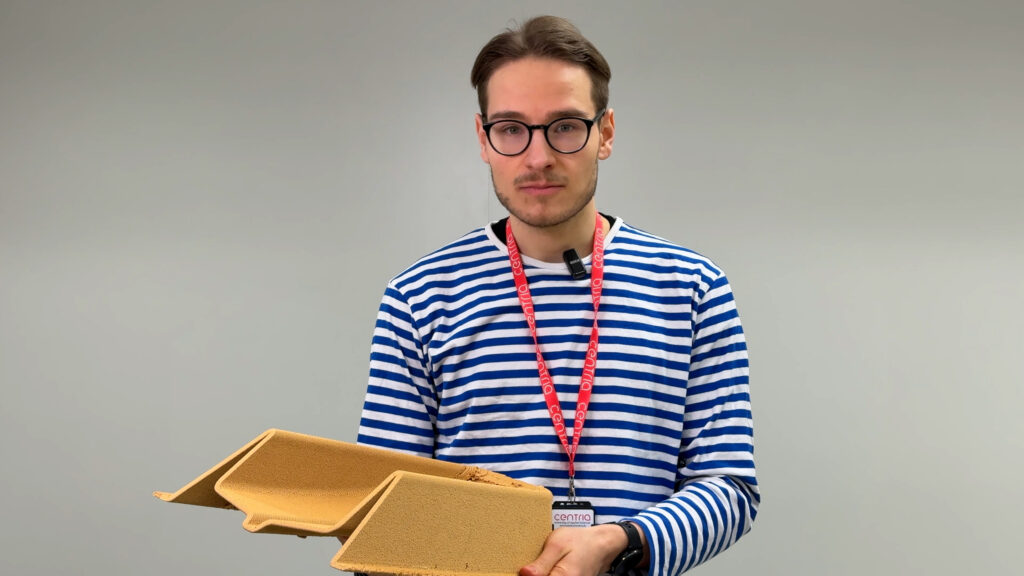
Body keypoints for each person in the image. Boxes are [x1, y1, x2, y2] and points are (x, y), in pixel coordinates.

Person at [357, 15, 758, 576]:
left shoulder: (692, 287)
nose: (538, 156)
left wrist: (620, 541)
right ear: (483, 139)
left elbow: (730, 486)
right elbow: (387, 503)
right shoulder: (419, 296)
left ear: (607, 132)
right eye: (511, 128)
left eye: (565, 126)